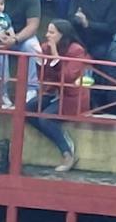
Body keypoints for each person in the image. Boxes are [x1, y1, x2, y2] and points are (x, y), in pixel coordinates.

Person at [28, 19, 90, 173]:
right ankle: (59, 135)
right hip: (53, 92)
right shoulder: (45, 48)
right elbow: (43, 78)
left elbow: (68, 78)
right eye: (48, 31)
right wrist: (40, 62)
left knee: (45, 118)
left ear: (62, 35)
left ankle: (67, 154)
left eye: (52, 32)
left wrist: (56, 57)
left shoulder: (76, 50)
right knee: (27, 110)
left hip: (72, 96)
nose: (47, 35)